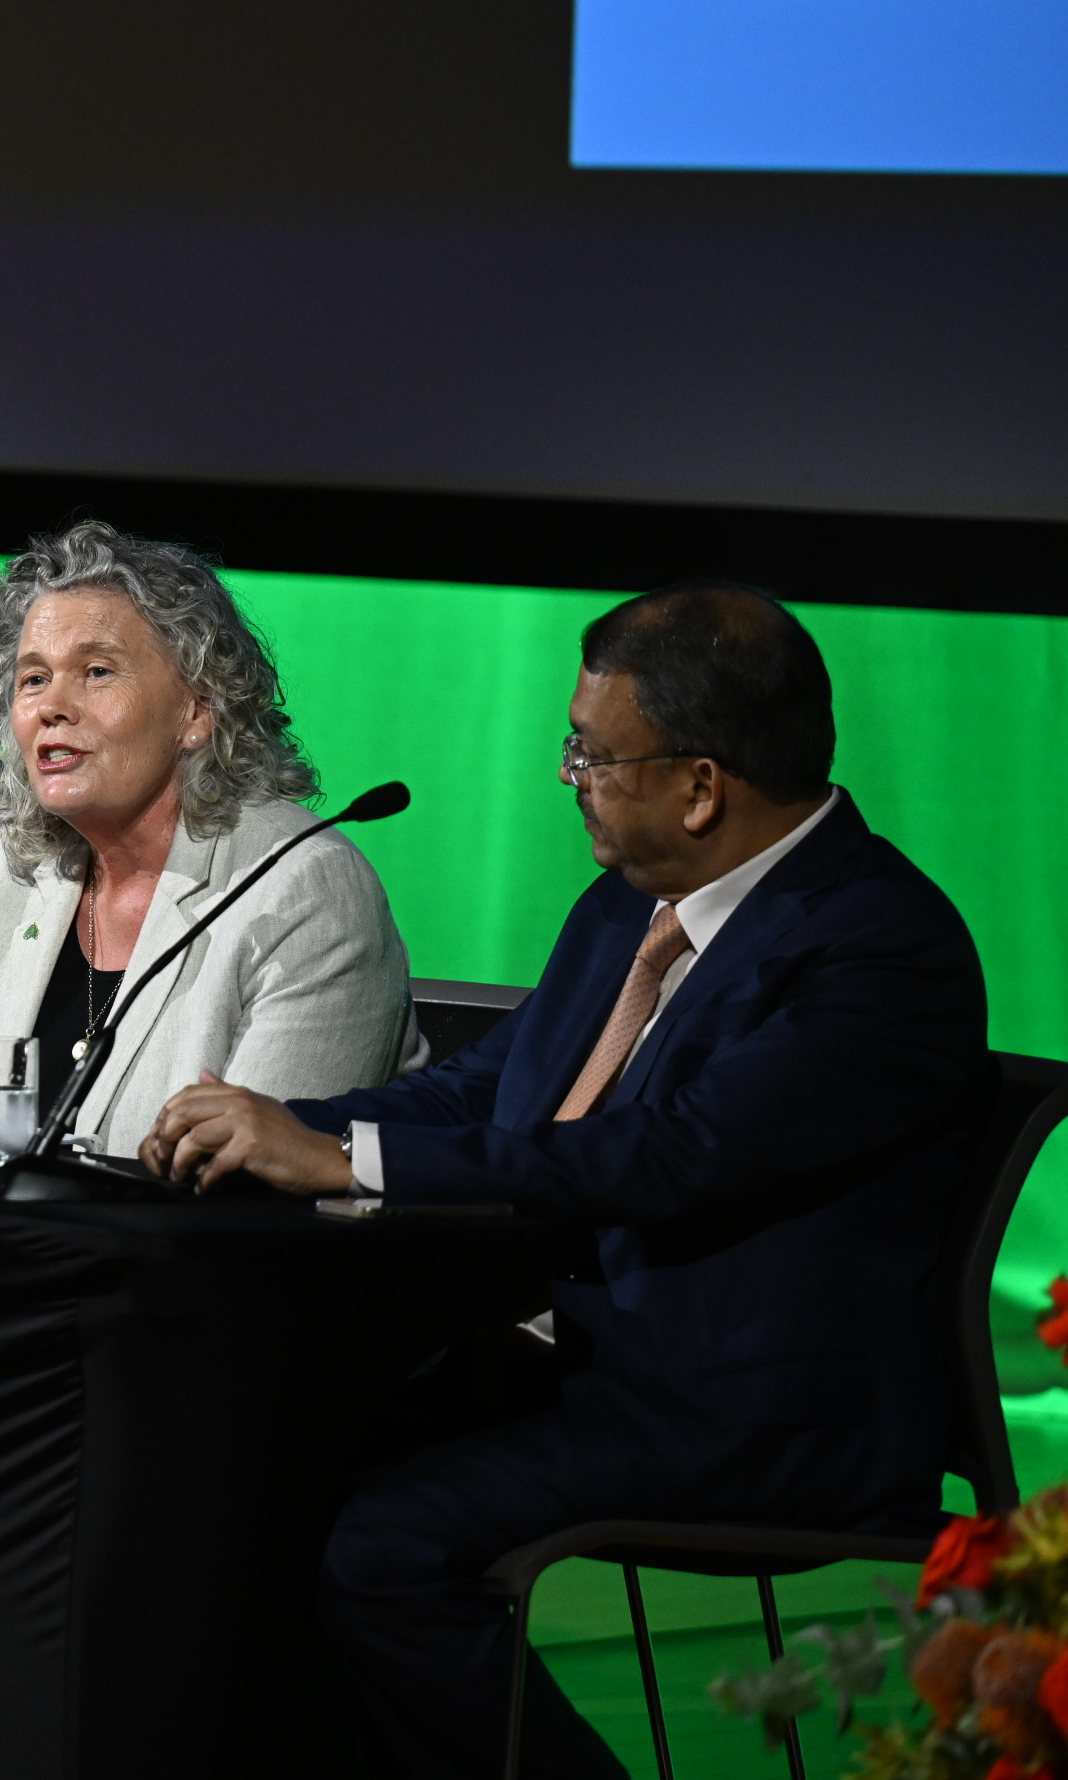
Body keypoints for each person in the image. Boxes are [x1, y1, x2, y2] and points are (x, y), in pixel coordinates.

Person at [142, 585, 991, 1779]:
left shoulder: (877, 947)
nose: (568, 775)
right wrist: (274, 1125)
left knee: (386, 1547)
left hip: (749, 1408)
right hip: (579, 1362)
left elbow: (669, 1155)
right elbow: (495, 1094)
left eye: (591, 753)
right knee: (250, 1470)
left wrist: (342, 1161)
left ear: (700, 786)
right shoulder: (628, 902)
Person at [0, 520, 414, 1146]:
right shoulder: (3, 865)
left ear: (198, 710)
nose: (51, 706)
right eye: (34, 678)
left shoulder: (304, 886)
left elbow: (253, 1186)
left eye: (97, 671)